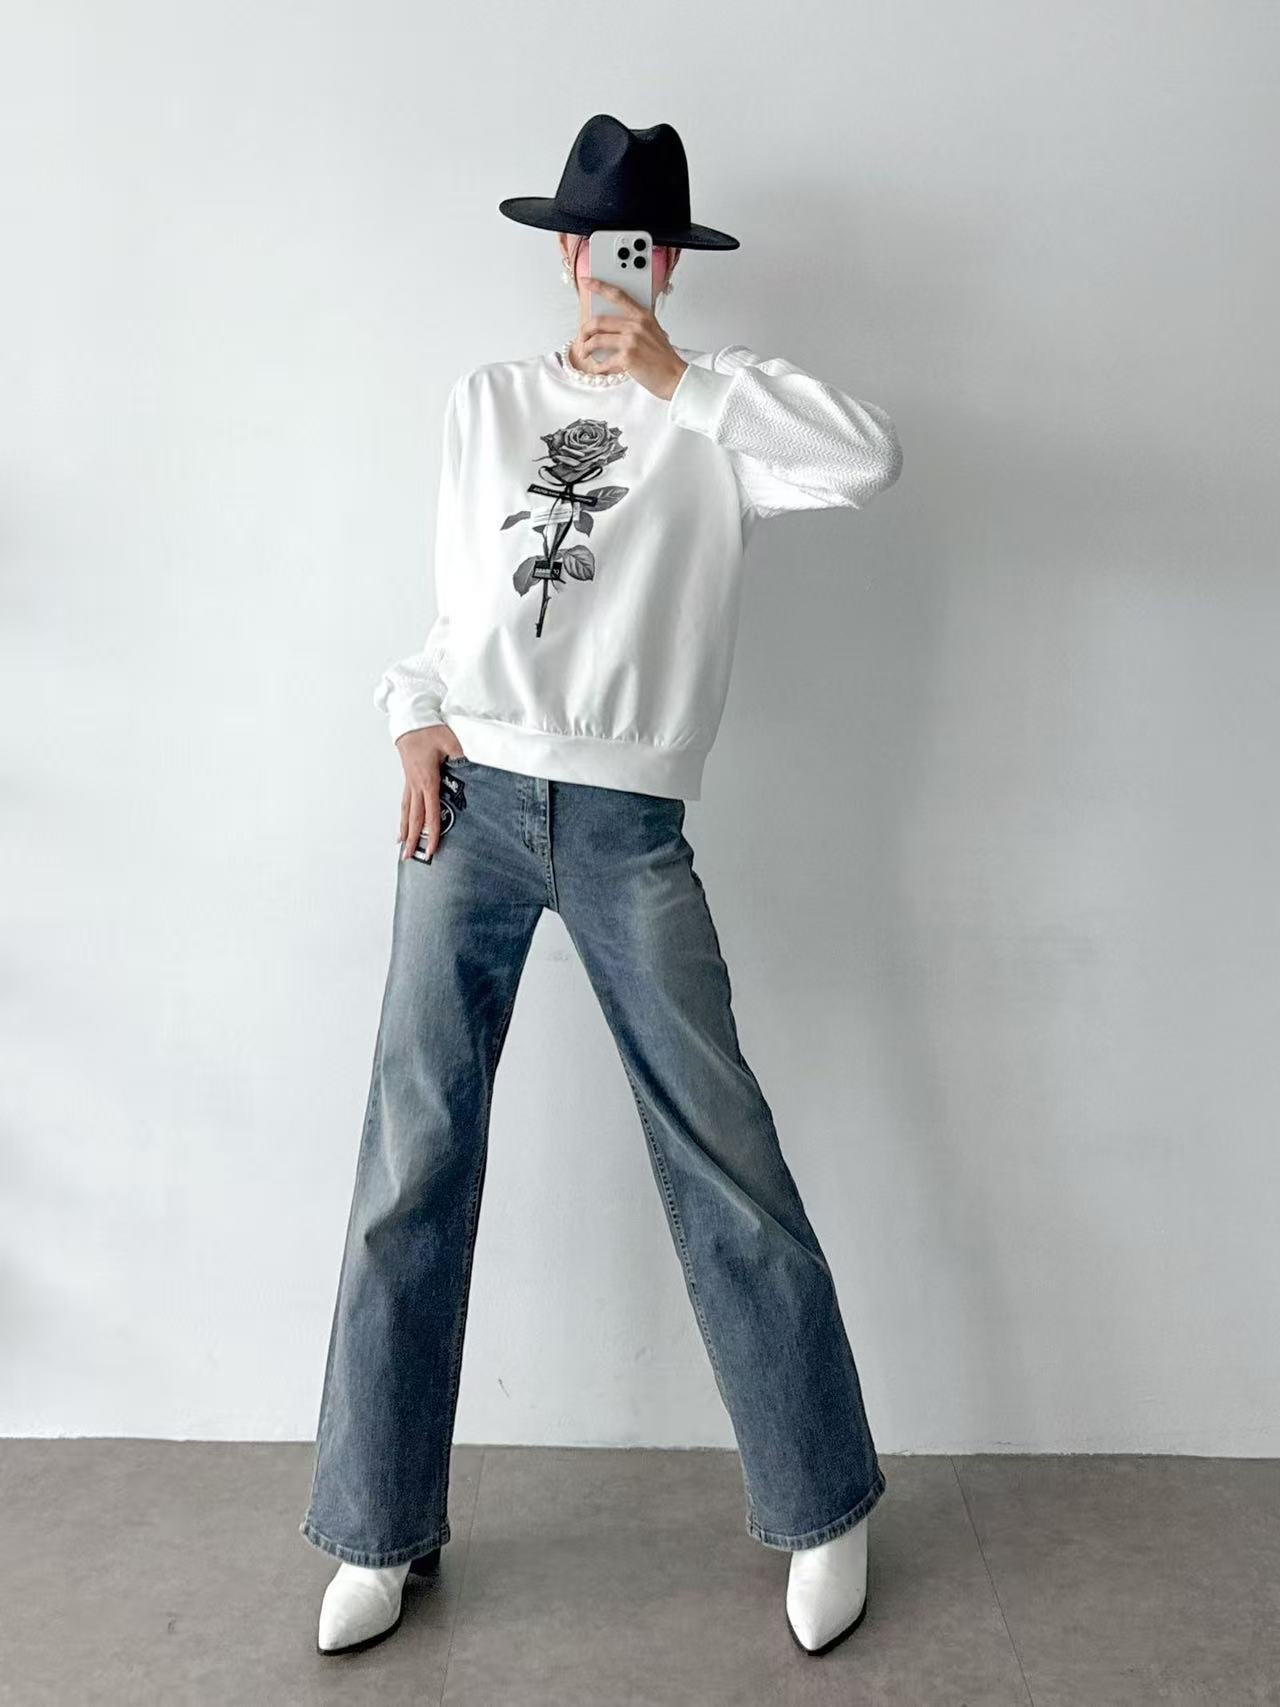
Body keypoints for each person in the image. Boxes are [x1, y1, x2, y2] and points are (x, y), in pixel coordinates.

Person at [299, 113, 903, 1661]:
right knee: (412, 1161)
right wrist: (410, 714)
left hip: (631, 823)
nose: (609, 266)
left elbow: (869, 461)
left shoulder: (718, 414)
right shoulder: (489, 402)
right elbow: (458, 610)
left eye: (639, 247)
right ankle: (376, 1526)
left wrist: (679, 382)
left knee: (723, 1153)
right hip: (469, 803)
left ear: (668, 265)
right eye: (590, 242)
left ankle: (822, 1501)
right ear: (564, 252)